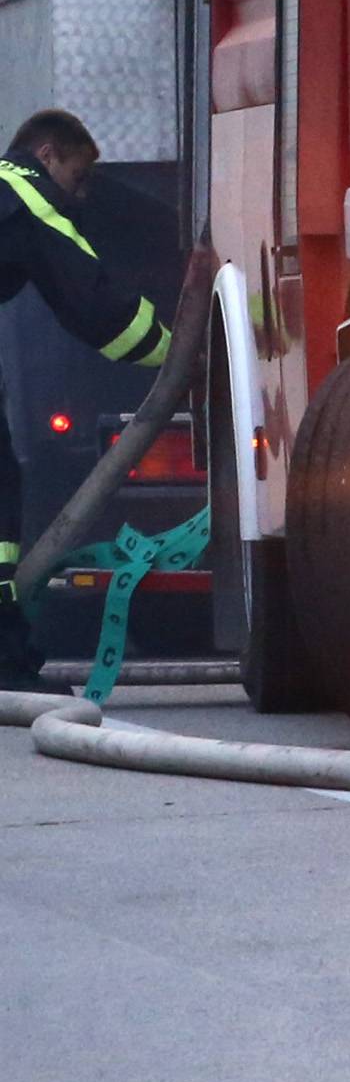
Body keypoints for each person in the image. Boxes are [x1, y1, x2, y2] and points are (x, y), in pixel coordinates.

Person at [0, 109, 171, 688]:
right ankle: (3, 664)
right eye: (77, 177)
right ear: (47, 155)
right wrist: (179, 354)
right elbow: (94, 302)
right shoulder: (24, 192)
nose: (78, 196)